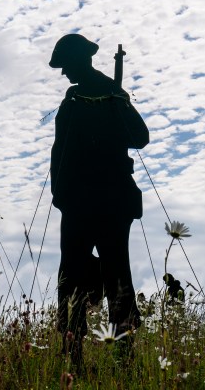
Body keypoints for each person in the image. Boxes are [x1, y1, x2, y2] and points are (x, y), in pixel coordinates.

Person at [49, 33, 150, 367]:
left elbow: (139, 138)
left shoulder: (107, 95)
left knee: (106, 278)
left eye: (66, 66)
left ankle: (114, 357)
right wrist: (60, 195)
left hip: (98, 200)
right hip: (92, 201)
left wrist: (120, 104)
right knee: (84, 278)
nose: (64, 73)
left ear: (82, 60)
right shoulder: (79, 98)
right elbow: (59, 151)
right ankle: (80, 357)